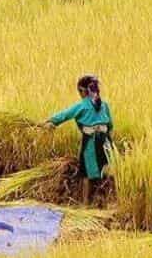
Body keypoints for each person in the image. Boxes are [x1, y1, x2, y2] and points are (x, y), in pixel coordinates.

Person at [44, 74, 114, 204]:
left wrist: (51, 122)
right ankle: (106, 201)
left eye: (79, 91)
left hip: (91, 142)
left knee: (87, 172)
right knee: (106, 169)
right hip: (105, 141)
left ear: (83, 91)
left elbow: (65, 114)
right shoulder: (104, 104)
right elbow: (110, 125)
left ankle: (86, 204)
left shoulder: (82, 105)